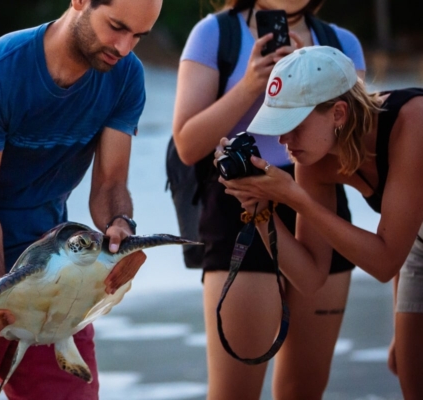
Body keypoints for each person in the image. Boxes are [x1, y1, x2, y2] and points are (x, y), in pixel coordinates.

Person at [0, 0, 162, 399]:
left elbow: (109, 185)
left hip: (56, 270)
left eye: (138, 37)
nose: (124, 48)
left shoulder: (124, 75)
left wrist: (119, 231)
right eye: (116, 27)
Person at [172, 1, 365, 399]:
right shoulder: (215, 34)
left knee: (304, 389)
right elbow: (188, 145)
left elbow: (354, 148)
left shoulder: (339, 44)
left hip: (319, 196)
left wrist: (309, 84)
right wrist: (252, 84)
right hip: (241, 199)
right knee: (235, 391)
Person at [220, 45, 423, 400]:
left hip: (403, 249)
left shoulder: (414, 123)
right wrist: (259, 207)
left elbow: (385, 260)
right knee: (412, 379)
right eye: (276, 125)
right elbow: (310, 277)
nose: (282, 140)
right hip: (416, 245)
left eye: (292, 125)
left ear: (339, 113)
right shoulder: (313, 160)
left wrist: (297, 199)